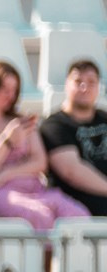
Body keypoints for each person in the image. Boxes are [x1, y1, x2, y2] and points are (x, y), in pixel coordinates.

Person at [0, 61, 88, 234]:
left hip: (35, 189)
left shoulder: (20, 120)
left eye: (13, 90)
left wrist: (7, 172)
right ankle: (44, 262)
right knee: (40, 217)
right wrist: (6, 142)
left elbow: (40, 162)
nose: (9, 95)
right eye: (3, 88)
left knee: (79, 215)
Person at [40, 58, 107, 218]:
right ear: (66, 84)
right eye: (78, 81)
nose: (84, 88)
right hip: (79, 212)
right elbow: (71, 172)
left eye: (91, 82)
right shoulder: (54, 125)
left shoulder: (104, 118)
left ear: (98, 87)